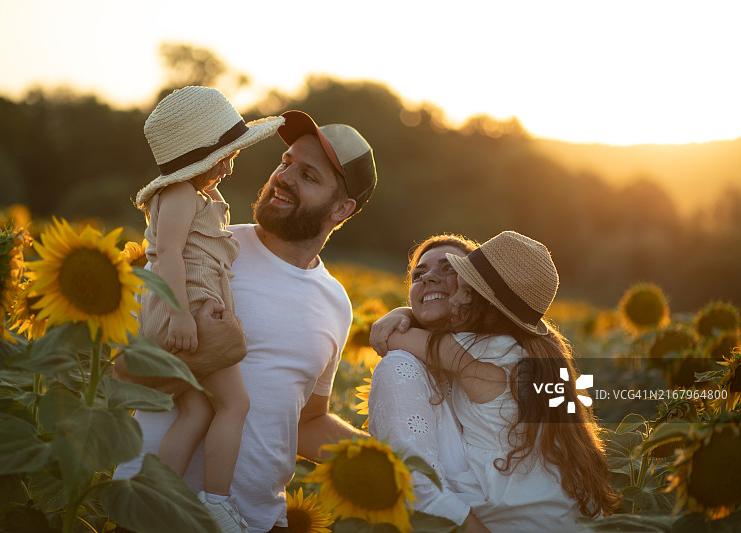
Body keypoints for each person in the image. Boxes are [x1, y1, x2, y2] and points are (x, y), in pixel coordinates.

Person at [113, 109, 376, 533]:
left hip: (253, 521)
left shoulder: (335, 303)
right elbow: (122, 374)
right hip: (151, 516)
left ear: (341, 208)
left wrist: (383, 461)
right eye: (287, 162)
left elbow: (306, 422)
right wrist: (203, 352)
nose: (285, 177)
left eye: (309, 176)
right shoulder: (200, 249)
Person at [118, 86, 285, 531]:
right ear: (200, 156)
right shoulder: (179, 195)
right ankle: (217, 502)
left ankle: (159, 497)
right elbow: (168, 253)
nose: (230, 165)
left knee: (197, 411)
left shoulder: (194, 197)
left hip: (186, 309)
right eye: (225, 155)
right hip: (188, 307)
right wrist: (179, 314)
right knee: (236, 404)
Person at [378, 230, 620, 532]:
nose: (457, 297)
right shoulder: (527, 352)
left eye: (466, 291)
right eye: (419, 273)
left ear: (489, 307)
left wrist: (398, 314)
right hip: (559, 509)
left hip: (517, 517)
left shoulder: (477, 354)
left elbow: (395, 337)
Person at [368, 234, 490, 532]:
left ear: (475, 287)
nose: (428, 278)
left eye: (449, 268)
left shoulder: (498, 352)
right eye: (418, 275)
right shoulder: (401, 367)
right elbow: (420, 489)